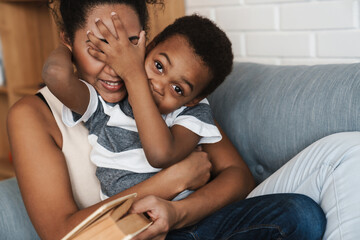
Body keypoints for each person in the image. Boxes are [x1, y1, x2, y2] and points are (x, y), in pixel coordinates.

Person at [5, 0, 326, 239]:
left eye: (130, 45)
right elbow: (60, 234)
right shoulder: (41, 113)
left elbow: (237, 176)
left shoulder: (159, 92)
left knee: (301, 212)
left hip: (188, 226)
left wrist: (179, 212)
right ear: (67, 41)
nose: (118, 66)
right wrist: (174, 180)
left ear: (148, 41)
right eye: (98, 47)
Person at [42, 14, 232, 201]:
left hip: (185, 218)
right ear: (149, 47)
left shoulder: (190, 113)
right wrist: (68, 45)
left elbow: (160, 154)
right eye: (158, 66)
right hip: (125, 222)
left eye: (177, 89)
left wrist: (134, 76)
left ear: (194, 99)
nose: (158, 85)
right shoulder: (107, 102)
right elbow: (55, 74)